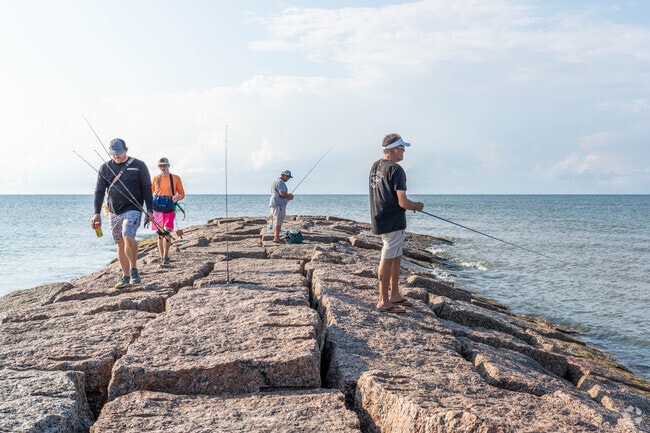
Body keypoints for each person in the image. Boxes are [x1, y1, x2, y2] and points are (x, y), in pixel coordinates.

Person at [369, 133, 424, 313]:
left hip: (380, 216)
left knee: (396, 255)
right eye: (402, 149)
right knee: (388, 256)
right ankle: (383, 301)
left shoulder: (375, 166)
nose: (403, 152)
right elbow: (403, 202)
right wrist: (417, 206)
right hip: (393, 220)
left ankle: (395, 294)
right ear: (393, 149)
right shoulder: (397, 170)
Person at [91, 138, 154, 289]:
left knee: (128, 234)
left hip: (133, 208)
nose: (117, 156)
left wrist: (150, 210)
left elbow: (147, 188)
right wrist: (96, 213)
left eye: (119, 153)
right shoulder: (105, 168)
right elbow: (99, 191)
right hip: (113, 210)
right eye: (114, 154)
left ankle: (134, 269)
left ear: (126, 150)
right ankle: (125, 276)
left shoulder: (139, 166)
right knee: (119, 242)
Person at [151, 157, 185, 267]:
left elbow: (182, 193)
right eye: (161, 166)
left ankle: (166, 256)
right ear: (158, 167)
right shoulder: (155, 178)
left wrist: (177, 197)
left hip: (170, 207)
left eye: (165, 165)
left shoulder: (175, 178)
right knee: (160, 234)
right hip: (157, 208)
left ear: (168, 165)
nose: (163, 167)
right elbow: (150, 194)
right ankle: (162, 257)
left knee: (167, 231)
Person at [269, 169, 294, 243]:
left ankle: (277, 237)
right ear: (283, 175)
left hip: (276, 204)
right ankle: (276, 238)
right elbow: (282, 193)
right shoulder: (280, 182)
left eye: (289, 177)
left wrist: (288, 196)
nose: (288, 178)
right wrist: (289, 196)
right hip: (278, 204)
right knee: (278, 221)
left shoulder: (276, 181)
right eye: (288, 176)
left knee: (277, 221)